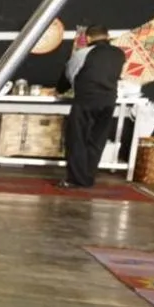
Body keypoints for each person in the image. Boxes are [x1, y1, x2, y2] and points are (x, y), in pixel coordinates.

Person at [60, 25, 125, 188]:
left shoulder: (82, 53)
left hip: (86, 101)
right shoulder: (119, 54)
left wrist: (60, 89)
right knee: (97, 141)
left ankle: (75, 180)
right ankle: (87, 178)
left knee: (77, 139)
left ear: (87, 38)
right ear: (107, 36)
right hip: (109, 101)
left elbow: (69, 75)